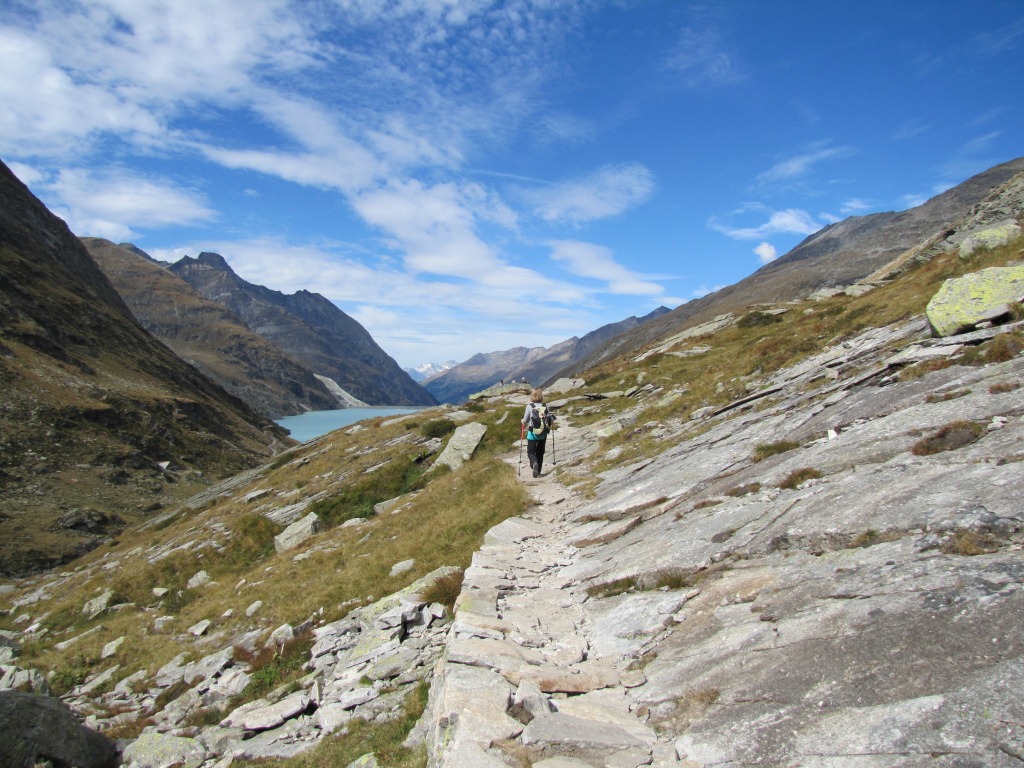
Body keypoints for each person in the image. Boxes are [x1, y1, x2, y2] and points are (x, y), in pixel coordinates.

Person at [521, 388, 555, 478]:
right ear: (541, 396)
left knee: (531, 452)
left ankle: (534, 463)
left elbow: (526, 420)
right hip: (543, 434)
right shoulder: (545, 406)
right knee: (540, 452)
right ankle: (538, 471)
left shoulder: (529, 406)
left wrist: (522, 421)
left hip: (532, 434)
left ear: (532, 396)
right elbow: (549, 418)